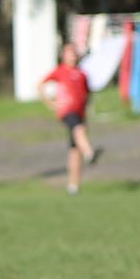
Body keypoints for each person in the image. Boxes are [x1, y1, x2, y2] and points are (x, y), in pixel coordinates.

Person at [40, 42, 102, 194]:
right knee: (78, 129)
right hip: (66, 111)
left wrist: (86, 107)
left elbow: (87, 94)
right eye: (68, 53)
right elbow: (41, 85)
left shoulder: (82, 74)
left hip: (80, 113)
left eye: (73, 53)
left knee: (74, 150)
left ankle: (73, 185)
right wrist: (52, 103)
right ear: (63, 56)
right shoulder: (60, 71)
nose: (71, 56)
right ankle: (90, 153)